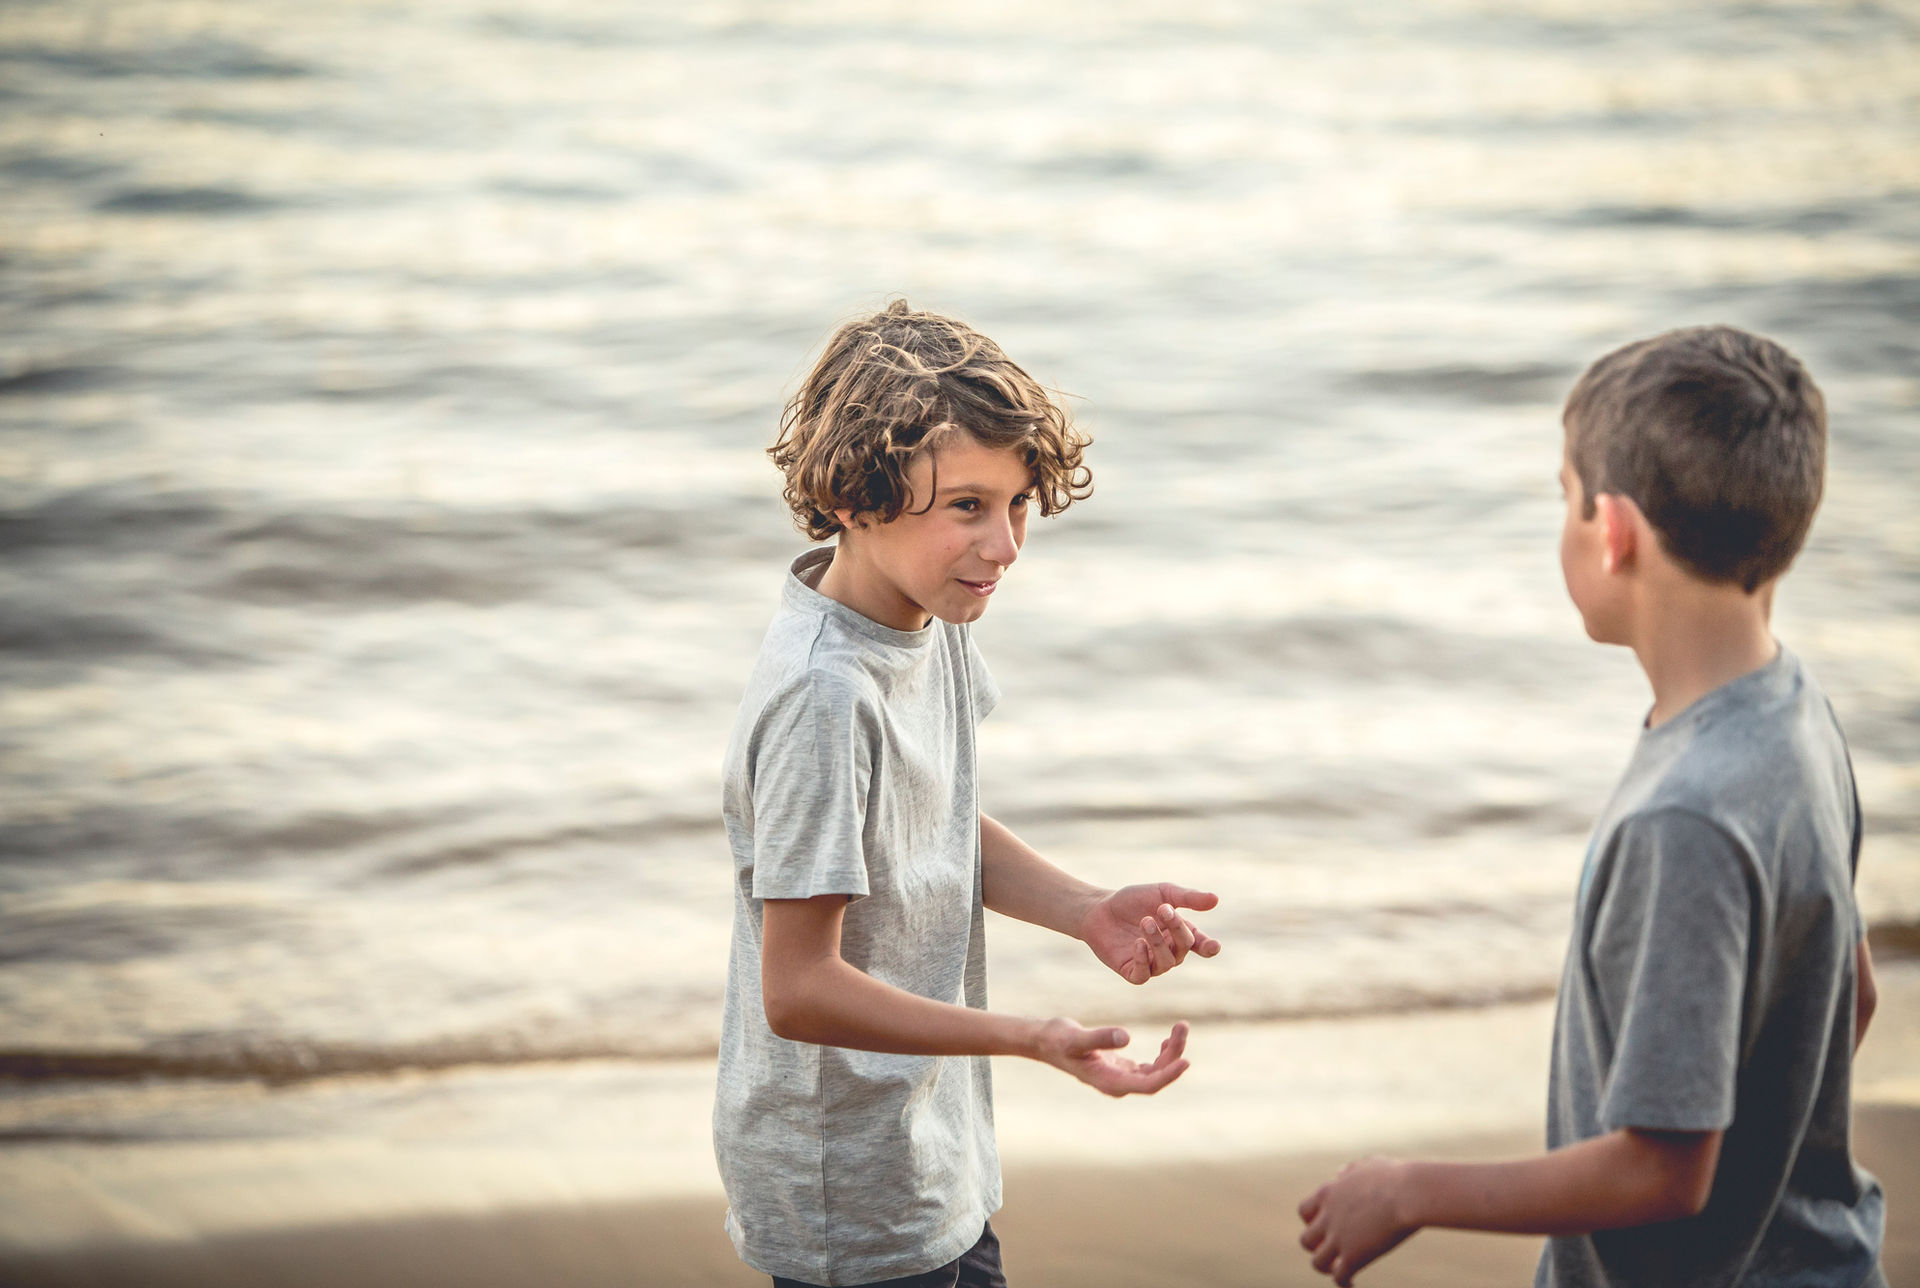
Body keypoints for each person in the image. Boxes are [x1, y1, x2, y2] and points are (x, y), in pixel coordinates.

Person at [1298, 325, 1885, 1287]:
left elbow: (1662, 1169)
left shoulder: (1684, 818)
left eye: (1565, 499)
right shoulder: (1796, 714)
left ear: (1613, 533)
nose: (1565, 521)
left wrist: (1409, 1189)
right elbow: (1846, 994)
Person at [715, 299, 1220, 1288]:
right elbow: (798, 987)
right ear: (856, 495)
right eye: (968, 507)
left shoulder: (928, 619)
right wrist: (1032, 1037)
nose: (1007, 545)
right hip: (847, 1200)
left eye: (1019, 503)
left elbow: (928, 816)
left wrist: (1084, 910)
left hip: (932, 1153)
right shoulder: (824, 695)